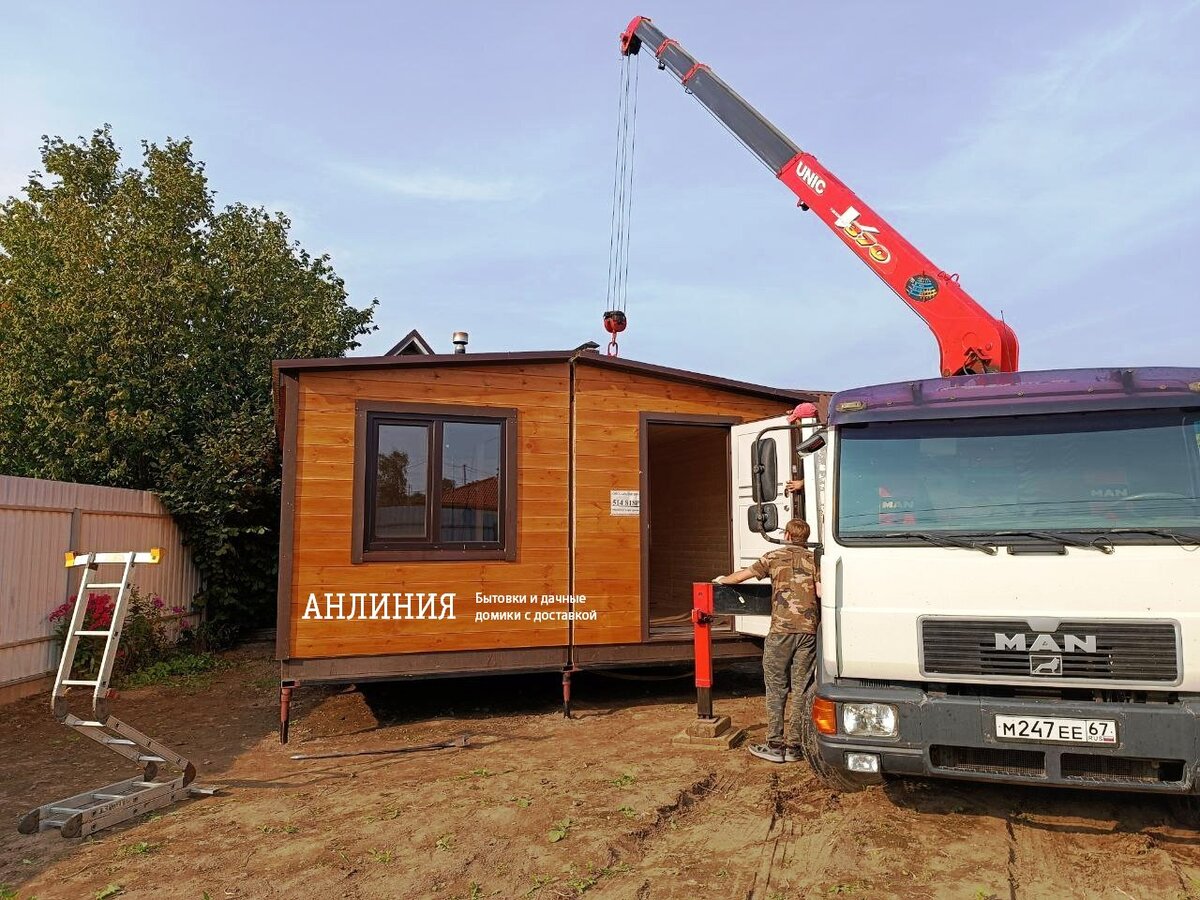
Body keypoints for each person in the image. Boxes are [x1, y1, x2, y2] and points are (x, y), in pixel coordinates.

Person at [714, 518, 819, 763]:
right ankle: (794, 747)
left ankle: (774, 744)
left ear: (788, 536)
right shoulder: (815, 559)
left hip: (781, 631)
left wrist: (722, 581)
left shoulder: (773, 557)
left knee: (776, 687)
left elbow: (742, 576)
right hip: (808, 632)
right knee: (801, 688)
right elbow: (822, 591)